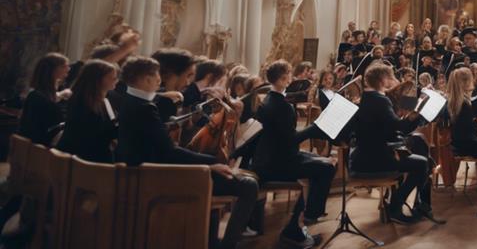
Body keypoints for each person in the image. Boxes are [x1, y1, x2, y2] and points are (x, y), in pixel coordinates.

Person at [114, 57, 259, 249]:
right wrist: (211, 162)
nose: (160, 80)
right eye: (156, 76)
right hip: (158, 174)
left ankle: (210, 242)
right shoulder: (144, 108)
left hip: (148, 169)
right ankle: (227, 245)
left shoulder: (130, 100)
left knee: (224, 177)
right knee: (248, 185)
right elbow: (169, 151)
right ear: (145, 79)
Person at [249, 60, 334, 245]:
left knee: (324, 163)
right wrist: (315, 128)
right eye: (288, 75)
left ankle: (300, 222)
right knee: (326, 169)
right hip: (278, 163)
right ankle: (307, 218)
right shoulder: (281, 106)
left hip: (273, 157)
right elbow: (292, 140)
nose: (291, 78)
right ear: (282, 79)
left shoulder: (270, 100)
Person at [350, 63, 433, 224]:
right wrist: (414, 115)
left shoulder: (367, 97)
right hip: (376, 159)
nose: (393, 80)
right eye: (390, 77)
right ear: (382, 80)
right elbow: (399, 128)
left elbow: (389, 128)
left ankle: (408, 203)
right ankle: (395, 207)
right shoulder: (380, 100)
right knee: (422, 164)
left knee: (415, 150)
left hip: (363, 155)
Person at [57, 60, 119, 162]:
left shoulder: (93, 100)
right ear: (97, 79)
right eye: (111, 77)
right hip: (83, 161)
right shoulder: (84, 103)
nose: (116, 80)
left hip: (77, 157)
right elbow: (98, 136)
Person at [17, 53, 70, 146]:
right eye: (64, 66)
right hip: (39, 147)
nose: (68, 69)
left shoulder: (39, 94)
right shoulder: (38, 97)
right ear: (52, 70)